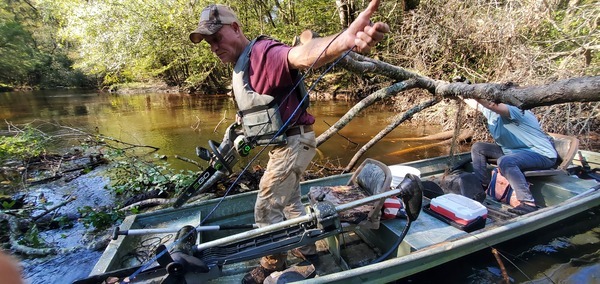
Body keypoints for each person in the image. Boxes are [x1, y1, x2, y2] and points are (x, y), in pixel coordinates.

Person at [189, 1, 389, 283]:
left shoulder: (261, 54)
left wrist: (344, 40)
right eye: (208, 42)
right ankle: (310, 254)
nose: (213, 46)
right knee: (291, 204)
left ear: (235, 28)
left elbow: (299, 55)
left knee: (265, 207)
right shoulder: (241, 65)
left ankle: (271, 265)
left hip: (294, 143)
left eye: (216, 37)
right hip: (287, 144)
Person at [463, 98, 557, 215]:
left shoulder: (517, 110)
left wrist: (477, 96)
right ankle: (481, 186)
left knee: (506, 161)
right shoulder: (491, 112)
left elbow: (492, 105)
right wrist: (459, 91)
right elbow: (476, 103)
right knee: (478, 148)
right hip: (513, 152)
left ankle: (528, 203)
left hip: (541, 154)